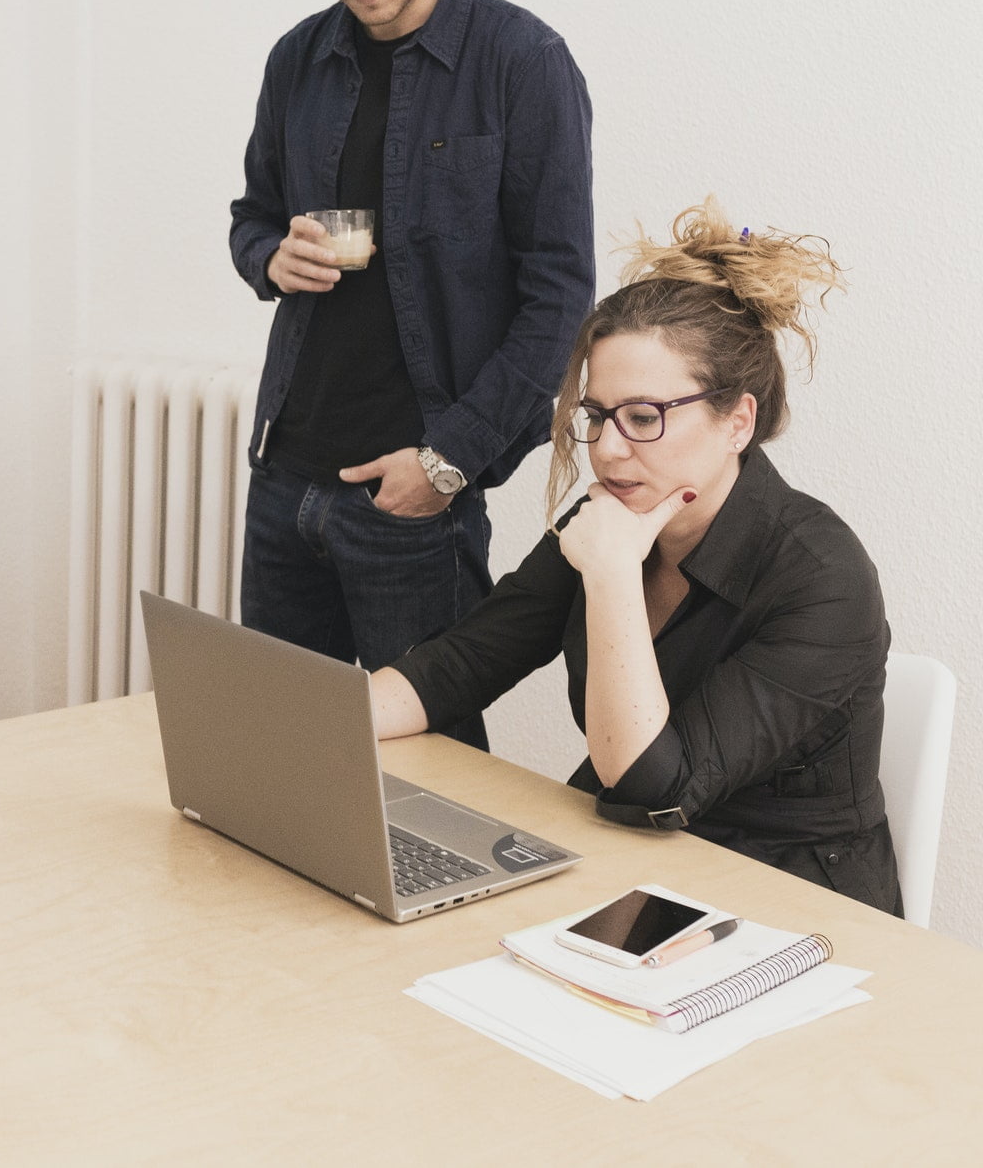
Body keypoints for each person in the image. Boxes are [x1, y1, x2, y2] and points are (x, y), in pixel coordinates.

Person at [370, 200, 902, 914]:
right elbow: (460, 666)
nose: (609, 448)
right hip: (628, 861)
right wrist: (302, 723)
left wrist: (614, 574)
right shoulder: (610, 517)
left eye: (645, 417)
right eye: (596, 415)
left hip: (789, 904)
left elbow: (653, 785)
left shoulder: (824, 578)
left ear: (736, 420)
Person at [229, 0, 595, 751]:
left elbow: (559, 299)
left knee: (437, 791)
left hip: (412, 501)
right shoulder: (296, 62)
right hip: (285, 482)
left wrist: (447, 466)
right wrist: (272, 255)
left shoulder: (523, 62)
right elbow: (251, 217)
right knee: (274, 762)